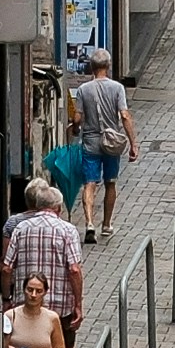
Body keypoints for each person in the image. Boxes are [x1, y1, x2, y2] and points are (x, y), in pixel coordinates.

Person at [1, 178, 85, 348]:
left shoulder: (20, 228)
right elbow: (74, 270)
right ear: (58, 208)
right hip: (60, 305)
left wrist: (6, 298)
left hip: (26, 302)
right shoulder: (68, 230)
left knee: (24, 347)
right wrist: (78, 304)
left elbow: (7, 269)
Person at [60, 54, 137, 231]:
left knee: (89, 183)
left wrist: (76, 129)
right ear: (108, 66)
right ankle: (107, 224)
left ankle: (89, 223)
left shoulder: (83, 89)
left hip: (90, 143)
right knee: (110, 182)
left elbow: (77, 118)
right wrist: (133, 143)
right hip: (111, 142)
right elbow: (125, 116)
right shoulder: (117, 88)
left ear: (91, 67)